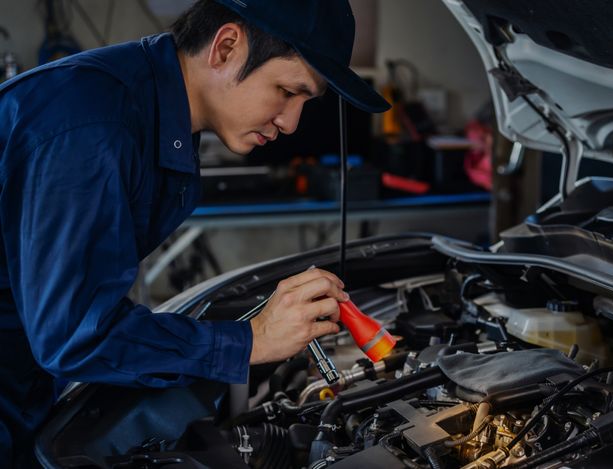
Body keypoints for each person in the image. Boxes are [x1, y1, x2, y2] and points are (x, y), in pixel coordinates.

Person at [0, 0, 389, 466]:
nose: (291, 122)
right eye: (287, 91)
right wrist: (249, 340)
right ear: (225, 47)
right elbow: (75, 335)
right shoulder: (91, 126)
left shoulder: (149, 108)